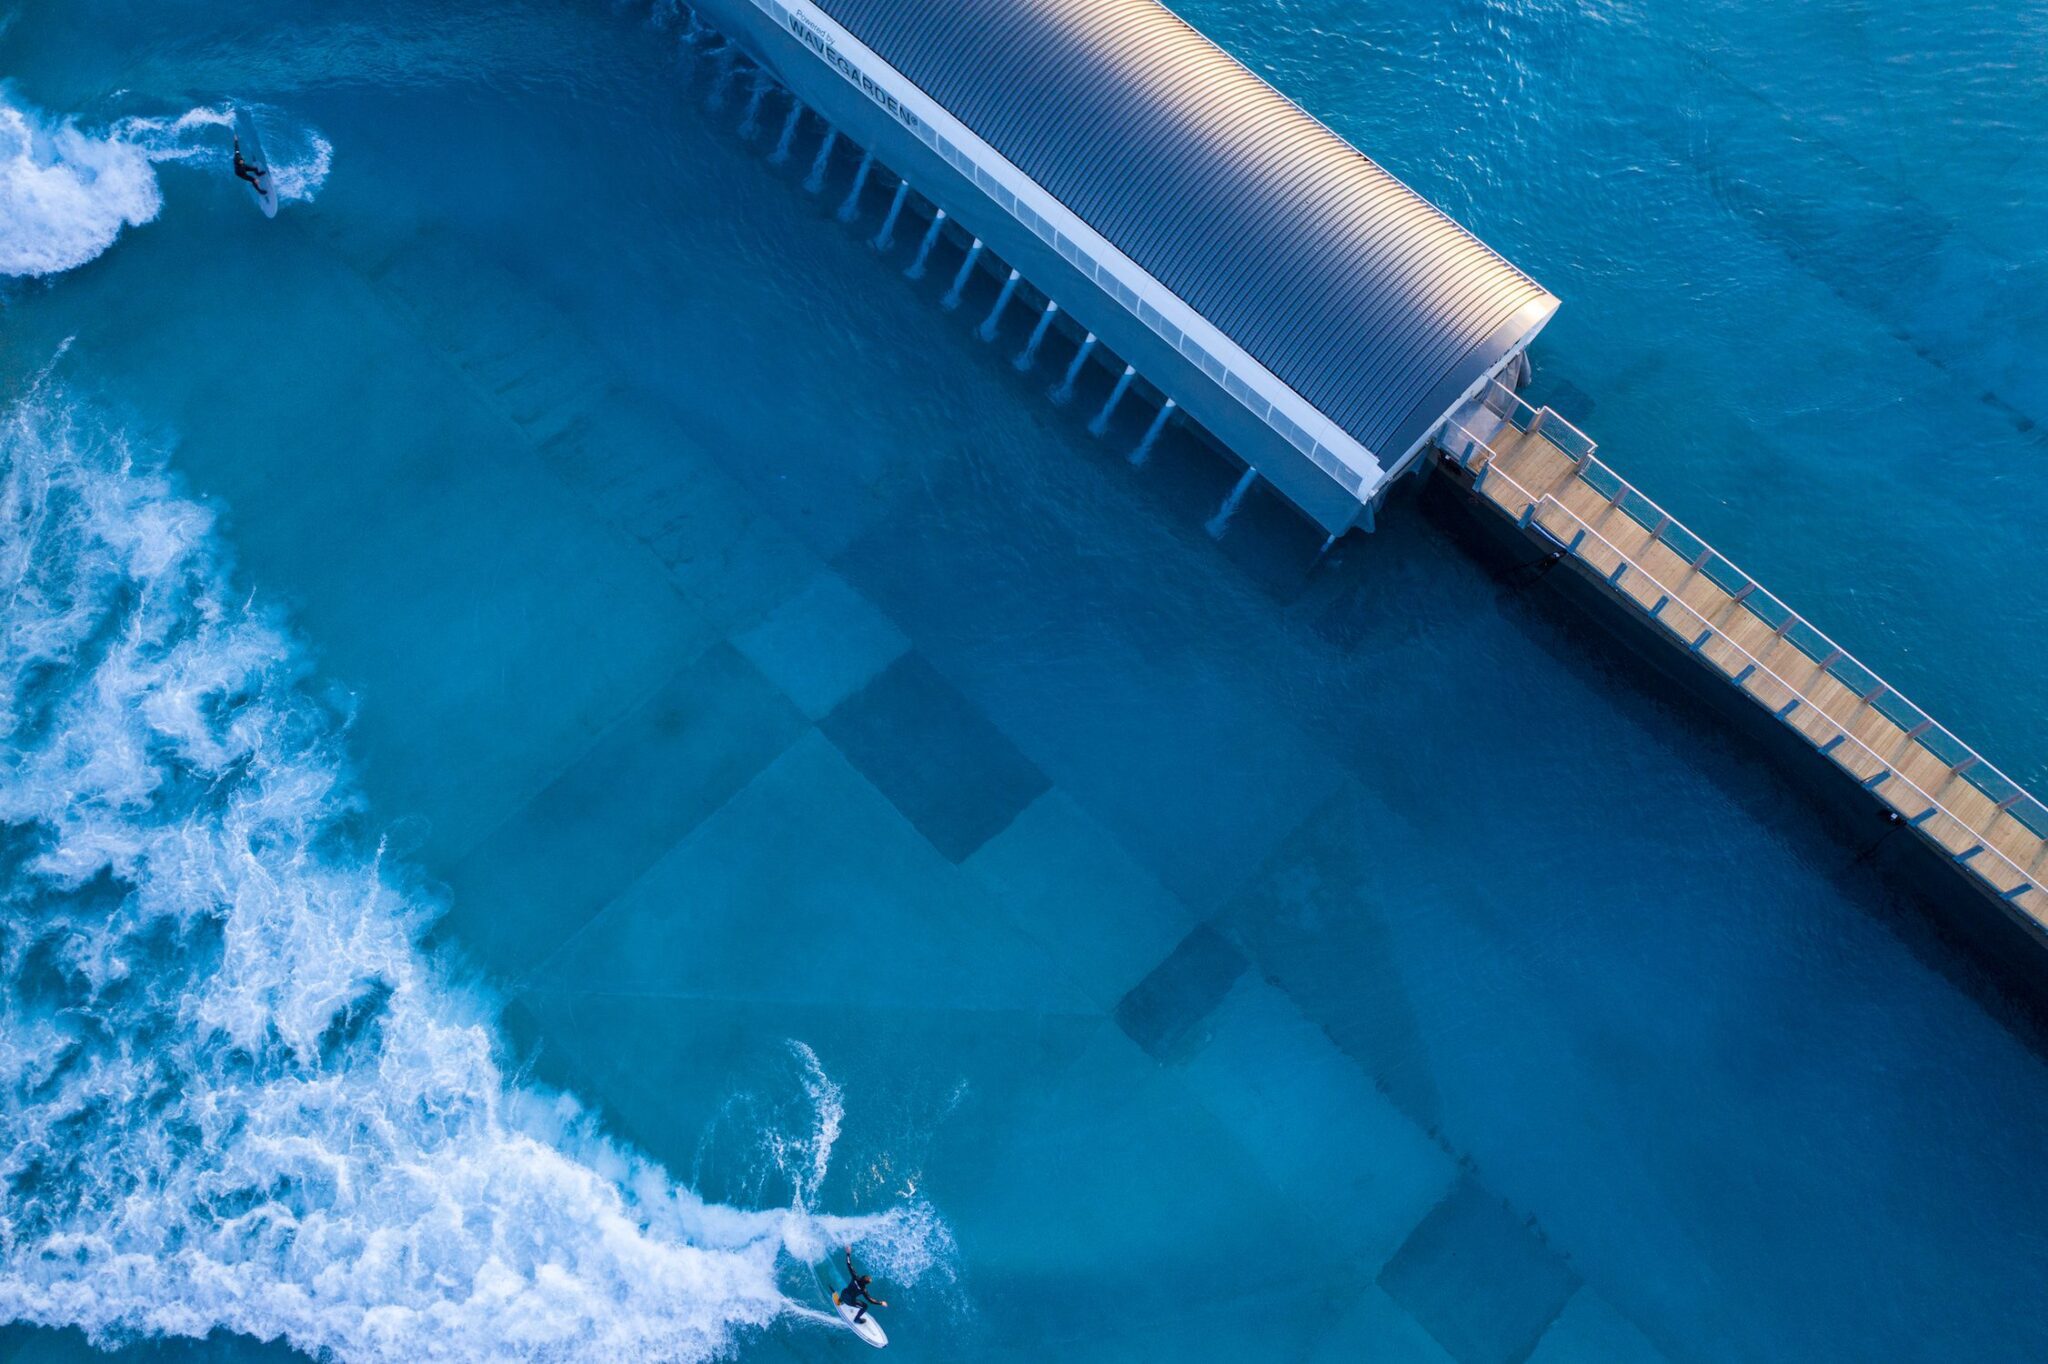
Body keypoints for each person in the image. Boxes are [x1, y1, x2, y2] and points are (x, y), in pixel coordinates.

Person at [837, 1246, 888, 1324]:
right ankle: (857, 1319)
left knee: (846, 1290)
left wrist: (848, 1254)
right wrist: (881, 1303)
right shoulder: (863, 1290)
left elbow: (849, 1264)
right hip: (850, 1302)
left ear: (862, 1277)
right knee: (865, 1306)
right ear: (866, 1284)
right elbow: (871, 1300)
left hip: (843, 1294)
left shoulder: (855, 1277)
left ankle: (840, 1301)